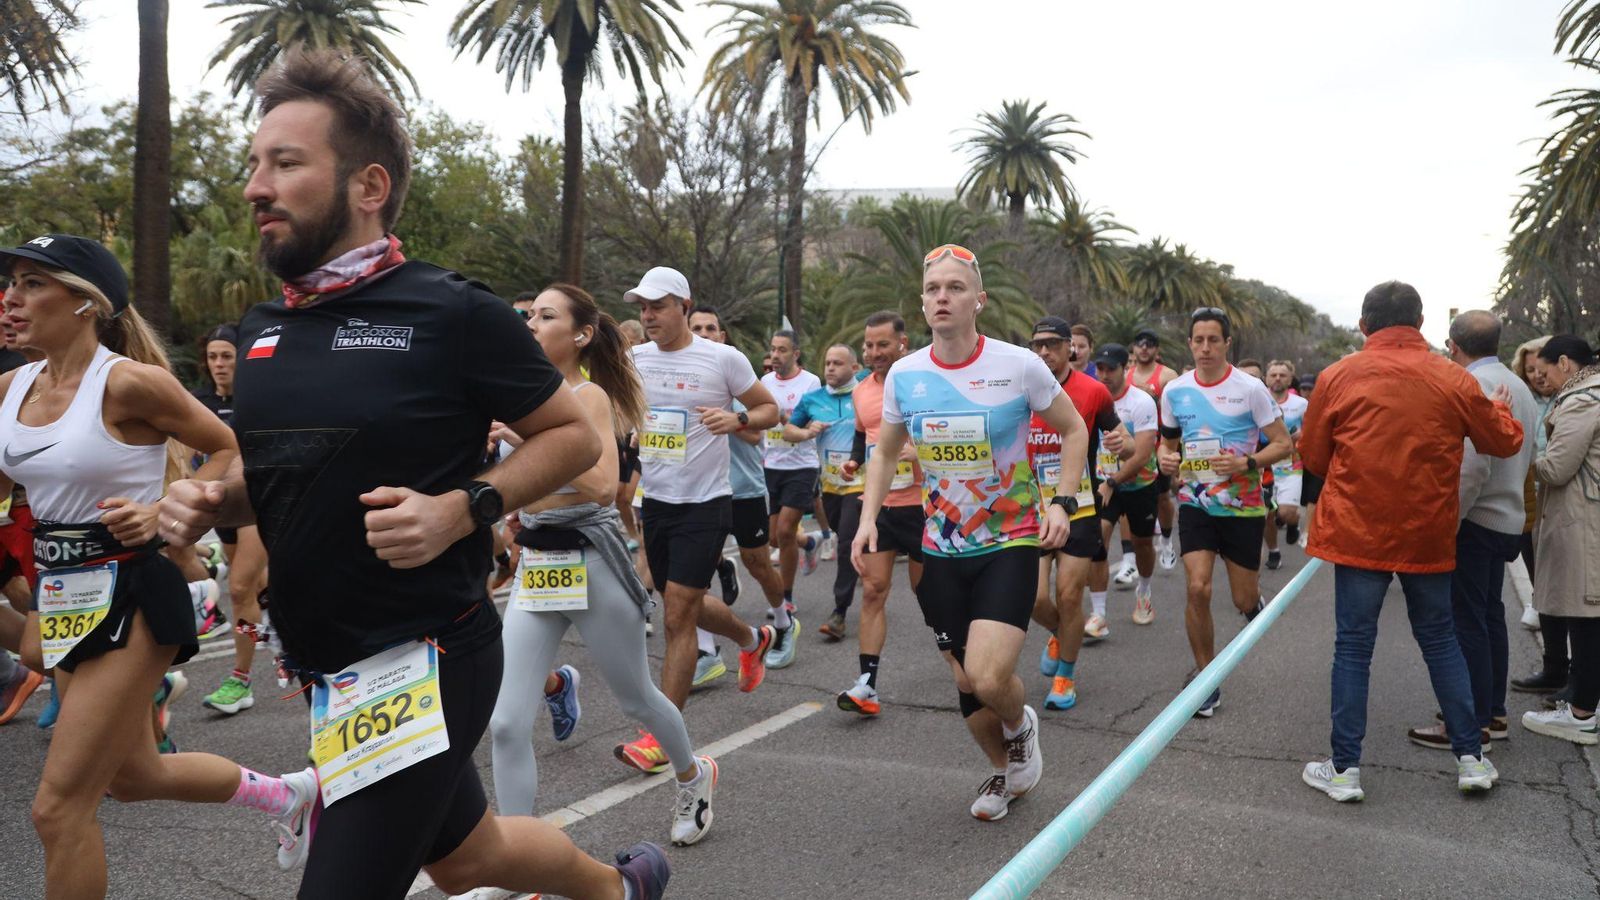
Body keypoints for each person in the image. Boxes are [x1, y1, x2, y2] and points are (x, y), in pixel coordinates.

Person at [159, 49, 669, 898]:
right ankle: (623, 889)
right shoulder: (262, 330)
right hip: (332, 667)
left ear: (368, 186)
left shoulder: (451, 312)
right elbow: (281, 477)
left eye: (285, 163)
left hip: (422, 657)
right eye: (254, 163)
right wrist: (211, 499)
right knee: (469, 857)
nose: (256, 185)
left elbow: (578, 442)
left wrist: (463, 508)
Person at [0, 232, 324, 898]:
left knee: (58, 810)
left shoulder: (127, 384)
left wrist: (171, 504)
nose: (11, 297)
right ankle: (291, 795)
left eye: (34, 283)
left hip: (134, 595)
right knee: (135, 776)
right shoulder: (11, 387)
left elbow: (231, 449)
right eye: (12, 283)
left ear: (86, 302)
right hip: (62, 597)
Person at [852, 244, 1090, 822]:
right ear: (923, 302)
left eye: (955, 287)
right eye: (934, 288)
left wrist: (1062, 501)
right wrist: (866, 520)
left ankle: (1020, 726)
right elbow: (884, 455)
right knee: (965, 680)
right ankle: (1006, 771)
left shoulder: (1018, 365)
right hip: (942, 546)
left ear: (978, 300)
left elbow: (1074, 429)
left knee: (988, 674)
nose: (943, 297)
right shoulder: (907, 376)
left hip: (1010, 539)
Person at [488, 283, 716, 846]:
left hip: (592, 563)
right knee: (507, 722)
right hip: (539, 569)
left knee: (638, 696)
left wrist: (521, 459)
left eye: (545, 316)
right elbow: (510, 494)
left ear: (581, 335)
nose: (531, 325)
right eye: (528, 316)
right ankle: (517, 853)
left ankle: (693, 775)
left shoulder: (586, 398)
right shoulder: (515, 399)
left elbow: (598, 488)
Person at [1298, 281, 1522, 802]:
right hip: (1428, 531)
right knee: (1441, 640)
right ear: (1421, 325)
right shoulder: (1452, 377)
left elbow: (1313, 456)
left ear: (1363, 325)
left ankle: (1345, 768)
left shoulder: (1337, 376)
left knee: (1353, 646)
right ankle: (1471, 757)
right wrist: (1501, 409)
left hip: (1357, 529)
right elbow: (1503, 441)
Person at [625, 265, 781, 763]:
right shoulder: (635, 359)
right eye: (643, 308)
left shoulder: (722, 359)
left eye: (658, 306)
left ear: (685, 307)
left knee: (676, 616)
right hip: (657, 501)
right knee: (681, 601)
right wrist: (630, 427)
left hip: (707, 503)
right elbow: (627, 409)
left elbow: (769, 410)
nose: (648, 315)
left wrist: (736, 418)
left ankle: (662, 739)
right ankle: (752, 638)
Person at [1402, 312, 1539, 751]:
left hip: (1476, 519)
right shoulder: (1518, 385)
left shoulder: (1472, 386)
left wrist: (1447, 522)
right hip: (1505, 516)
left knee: (1466, 623)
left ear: (1453, 346)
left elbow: (1471, 467)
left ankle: (1473, 722)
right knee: (1487, 617)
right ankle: (1492, 713)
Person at [1157, 310, 1291, 718]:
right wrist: (1166, 460)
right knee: (1198, 588)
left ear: (1228, 343)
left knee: (1242, 597)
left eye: (1213, 340)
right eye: (1198, 340)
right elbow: (1168, 445)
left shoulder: (1250, 389)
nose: (1204, 348)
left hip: (1243, 509)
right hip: (1196, 504)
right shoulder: (1175, 392)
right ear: (1190, 344)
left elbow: (1284, 445)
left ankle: (1253, 605)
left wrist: (1247, 463)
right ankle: (1207, 678)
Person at [1026, 317, 1127, 712]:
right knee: (1033, 598)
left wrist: (1122, 441)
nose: (1044, 352)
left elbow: (1127, 443)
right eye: (1037, 345)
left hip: (1079, 505)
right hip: (1033, 505)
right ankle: (1060, 633)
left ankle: (1065, 674)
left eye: (1052, 344)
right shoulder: (1019, 388)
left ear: (1072, 347)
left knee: (1069, 596)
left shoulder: (1093, 391)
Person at [684, 306, 787, 689]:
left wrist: (730, 418)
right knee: (693, 575)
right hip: (700, 491)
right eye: (698, 328)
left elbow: (758, 432)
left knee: (758, 564)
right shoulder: (682, 378)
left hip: (743, 489)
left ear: (722, 336)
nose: (706, 333)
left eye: (712, 328)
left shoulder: (735, 376)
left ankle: (782, 619)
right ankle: (707, 652)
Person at [835, 311, 924, 716]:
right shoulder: (861, 391)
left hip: (923, 507)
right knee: (873, 591)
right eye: (869, 346)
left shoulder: (923, 382)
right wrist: (855, 462)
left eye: (882, 345)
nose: (874, 353)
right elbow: (863, 433)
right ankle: (867, 686)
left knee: (933, 598)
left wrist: (919, 451)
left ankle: (970, 672)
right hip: (880, 507)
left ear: (902, 343)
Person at [185, 323, 272, 716]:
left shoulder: (260, 398)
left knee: (239, 589)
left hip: (258, 503)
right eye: (213, 357)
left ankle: (240, 679)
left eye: (227, 357)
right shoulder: (198, 401)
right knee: (256, 588)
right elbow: (186, 451)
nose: (219, 364)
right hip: (222, 507)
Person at [1520, 335, 1600, 745]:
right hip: (1587, 517)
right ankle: (1585, 700)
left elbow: (1557, 468)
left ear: (1565, 363)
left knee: (1585, 614)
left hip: (1581, 521)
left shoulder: (1582, 401)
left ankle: (1583, 712)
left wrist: (1523, 459)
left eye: (1547, 369)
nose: (1543, 378)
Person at [784, 344, 862, 641]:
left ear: (854, 368)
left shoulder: (865, 394)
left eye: (838, 363)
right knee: (847, 539)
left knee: (846, 545)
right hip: (830, 485)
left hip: (862, 483)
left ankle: (839, 612)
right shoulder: (812, 400)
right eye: (827, 362)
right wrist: (807, 432)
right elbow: (789, 431)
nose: (830, 368)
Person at [760, 328, 820, 658]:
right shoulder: (765, 383)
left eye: (783, 350)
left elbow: (810, 420)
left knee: (784, 531)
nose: (776, 355)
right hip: (772, 465)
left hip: (802, 465)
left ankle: (786, 596)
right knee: (772, 538)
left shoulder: (810, 383)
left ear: (795, 353)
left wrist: (786, 419)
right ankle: (808, 543)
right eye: (773, 350)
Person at [1091, 344, 1161, 625]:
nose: (1104, 374)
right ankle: (1098, 614)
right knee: (1098, 539)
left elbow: (1143, 454)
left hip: (1140, 484)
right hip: (1104, 481)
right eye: (1100, 369)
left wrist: (1113, 480)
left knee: (1143, 544)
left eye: (1111, 369)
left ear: (1125, 369)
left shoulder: (1141, 402)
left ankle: (1144, 591)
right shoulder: (1092, 398)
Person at [1129, 327, 1179, 569]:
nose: (1144, 348)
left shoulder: (1167, 376)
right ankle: (1131, 555)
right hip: (1130, 449)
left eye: (1150, 344)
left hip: (1160, 447)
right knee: (1127, 499)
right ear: (1134, 348)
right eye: (1140, 343)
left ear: (1157, 349)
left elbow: (1178, 413)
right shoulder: (1125, 375)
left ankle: (1167, 540)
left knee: (1161, 498)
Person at [1262, 360, 1308, 570]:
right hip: (1263, 464)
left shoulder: (1301, 404)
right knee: (1266, 514)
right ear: (1266, 378)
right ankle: (1273, 551)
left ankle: (1292, 522)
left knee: (1285, 513)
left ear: (1290, 379)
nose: (1277, 378)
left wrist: (1301, 435)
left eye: (1282, 375)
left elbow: (1312, 429)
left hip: (1290, 464)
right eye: (1273, 375)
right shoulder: (1258, 401)